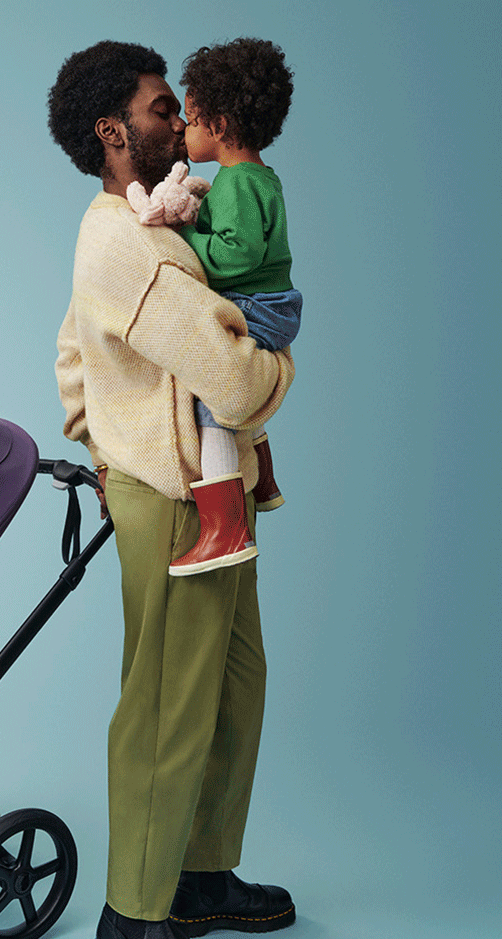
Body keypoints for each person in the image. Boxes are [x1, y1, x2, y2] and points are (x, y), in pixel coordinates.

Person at [47, 40, 297, 939]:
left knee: (233, 681)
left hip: (200, 487)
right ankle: (131, 916)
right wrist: (279, 368)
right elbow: (234, 377)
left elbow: (71, 351)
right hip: (177, 499)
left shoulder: (148, 226)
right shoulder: (123, 243)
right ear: (113, 133)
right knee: (162, 701)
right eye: (159, 111)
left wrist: (98, 433)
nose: (177, 125)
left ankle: (195, 875)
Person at [167, 38, 301, 575]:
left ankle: (224, 530)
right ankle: (261, 478)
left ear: (218, 126)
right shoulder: (256, 177)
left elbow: (233, 255)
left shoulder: (240, 181)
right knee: (229, 383)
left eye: (191, 117)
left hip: (259, 305)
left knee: (212, 394)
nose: (183, 128)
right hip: (271, 303)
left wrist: (185, 234)